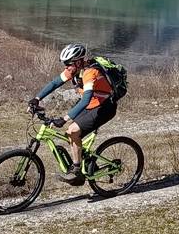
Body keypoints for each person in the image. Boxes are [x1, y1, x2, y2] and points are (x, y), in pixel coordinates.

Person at [29, 42, 117, 184]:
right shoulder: (74, 70)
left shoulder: (90, 73)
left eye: (68, 64)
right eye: (65, 64)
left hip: (104, 107)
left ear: (78, 62)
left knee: (72, 131)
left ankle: (77, 172)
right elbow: (54, 83)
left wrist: (64, 119)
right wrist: (37, 98)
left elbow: (85, 100)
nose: (66, 67)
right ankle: (82, 161)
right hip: (91, 105)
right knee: (70, 134)